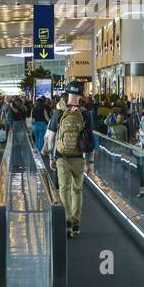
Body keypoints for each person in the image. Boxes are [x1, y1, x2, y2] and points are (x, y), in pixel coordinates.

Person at [43, 83, 95, 237]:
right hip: (79, 157)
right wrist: (90, 162)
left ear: (67, 94)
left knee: (64, 189)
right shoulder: (85, 114)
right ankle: (76, 222)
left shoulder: (59, 112)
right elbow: (91, 141)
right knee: (77, 191)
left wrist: (52, 157)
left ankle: (67, 220)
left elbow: (51, 138)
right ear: (80, 96)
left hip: (62, 157)